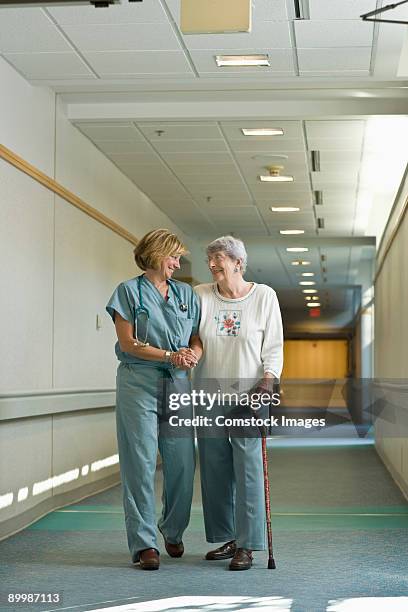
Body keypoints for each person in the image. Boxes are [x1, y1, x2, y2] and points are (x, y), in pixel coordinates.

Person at [106, 229, 202, 570]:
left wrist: (192, 355)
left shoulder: (187, 295)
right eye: (173, 257)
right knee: (140, 463)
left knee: (182, 463)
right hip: (138, 383)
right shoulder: (128, 292)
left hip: (177, 385)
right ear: (157, 255)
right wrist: (168, 356)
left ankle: (173, 529)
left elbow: (195, 339)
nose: (177, 263)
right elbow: (129, 343)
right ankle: (144, 544)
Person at [194, 235, 283, 571]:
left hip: (250, 394)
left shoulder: (264, 296)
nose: (214, 264)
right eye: (211, 259)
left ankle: (248, 544)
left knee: (248, 469)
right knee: (214, 467)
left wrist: (269, 380)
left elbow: (273, 345)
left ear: (238, 263)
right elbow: (194, 336)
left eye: (220, 258)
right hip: (208, 393)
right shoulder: (201, 295)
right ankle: (228, 537)